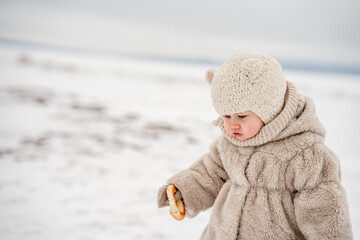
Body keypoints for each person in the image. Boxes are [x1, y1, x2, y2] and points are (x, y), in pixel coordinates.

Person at [157, 52, 353, 239]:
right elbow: (210, 172)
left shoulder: (307, 156)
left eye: (241, 116)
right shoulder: (230, 144)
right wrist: (184, 191)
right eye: (226, 115)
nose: (232, 124)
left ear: (270, 110)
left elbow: (324, 213)